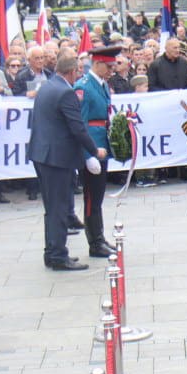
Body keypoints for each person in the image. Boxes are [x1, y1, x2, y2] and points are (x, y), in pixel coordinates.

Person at [27, 43, 94, 270]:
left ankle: (52, 251)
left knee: (53, 206)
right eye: (78, 72)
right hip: (57, 157)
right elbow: (77, 128)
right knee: (59, 207)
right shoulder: (66, 92)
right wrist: (94, 150)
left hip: (43, 155)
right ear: (72, 72)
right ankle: (57, 255)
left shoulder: (48, 86)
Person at [76, 45, 119, 257]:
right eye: (108, 67)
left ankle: (99, 237)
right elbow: (80, 123)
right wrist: (87, 155)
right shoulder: (83, 86)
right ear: (97, 63)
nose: (112, 71)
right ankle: (94, 242)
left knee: (98, 196)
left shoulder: (101, 84)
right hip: (92, 147)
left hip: (101, 144)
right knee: (92, 198)